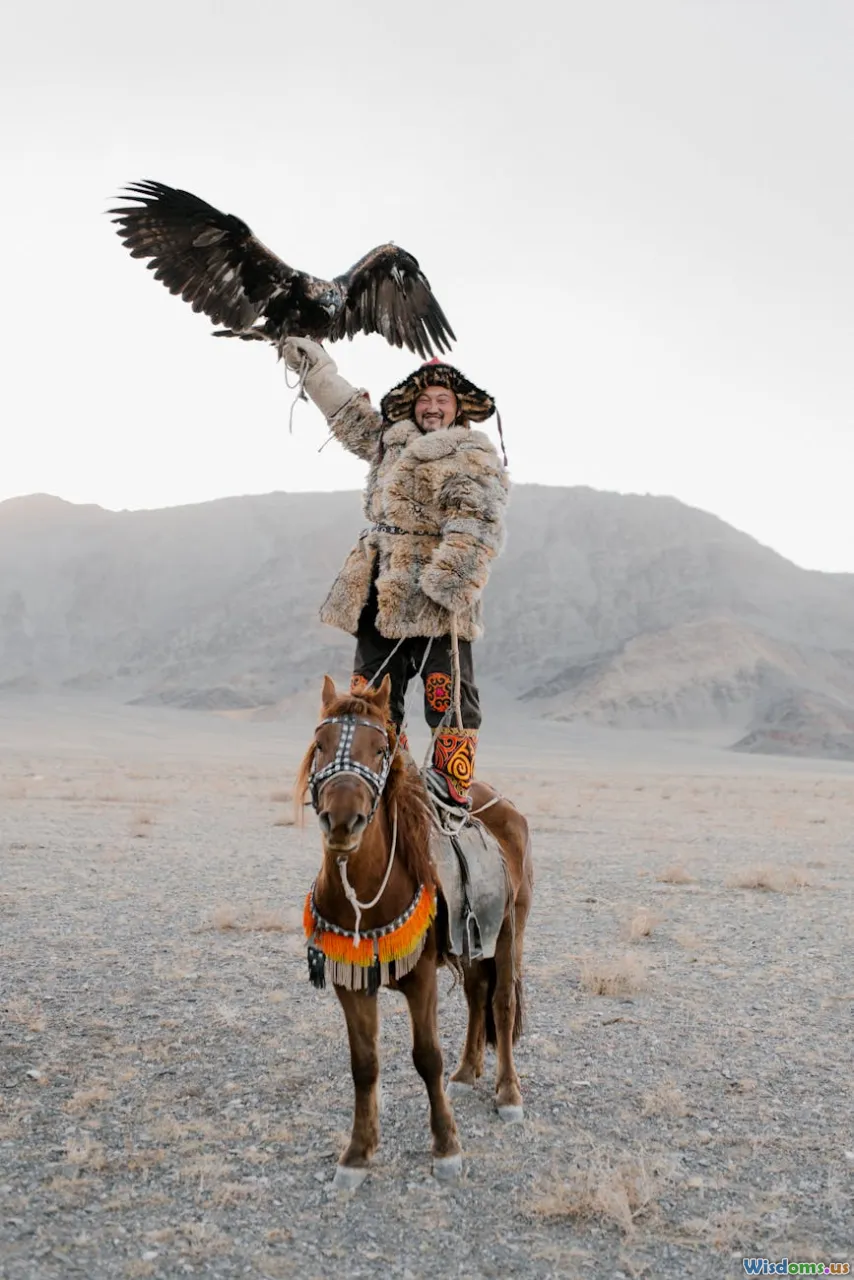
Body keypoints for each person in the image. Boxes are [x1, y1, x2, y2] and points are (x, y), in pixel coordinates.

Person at [283, 337, 509, 809]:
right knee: (370, 695)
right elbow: (347, 414)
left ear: (457, 409)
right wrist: (314, 366)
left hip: (437, 592)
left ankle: (450, 786)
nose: (431, 407)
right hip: (381, 585)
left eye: (442, 400)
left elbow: (477, 520)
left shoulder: (472, 454)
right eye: (424, 399)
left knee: (448, 696)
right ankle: (389, 773)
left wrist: (448, 585)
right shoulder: (390, 443)